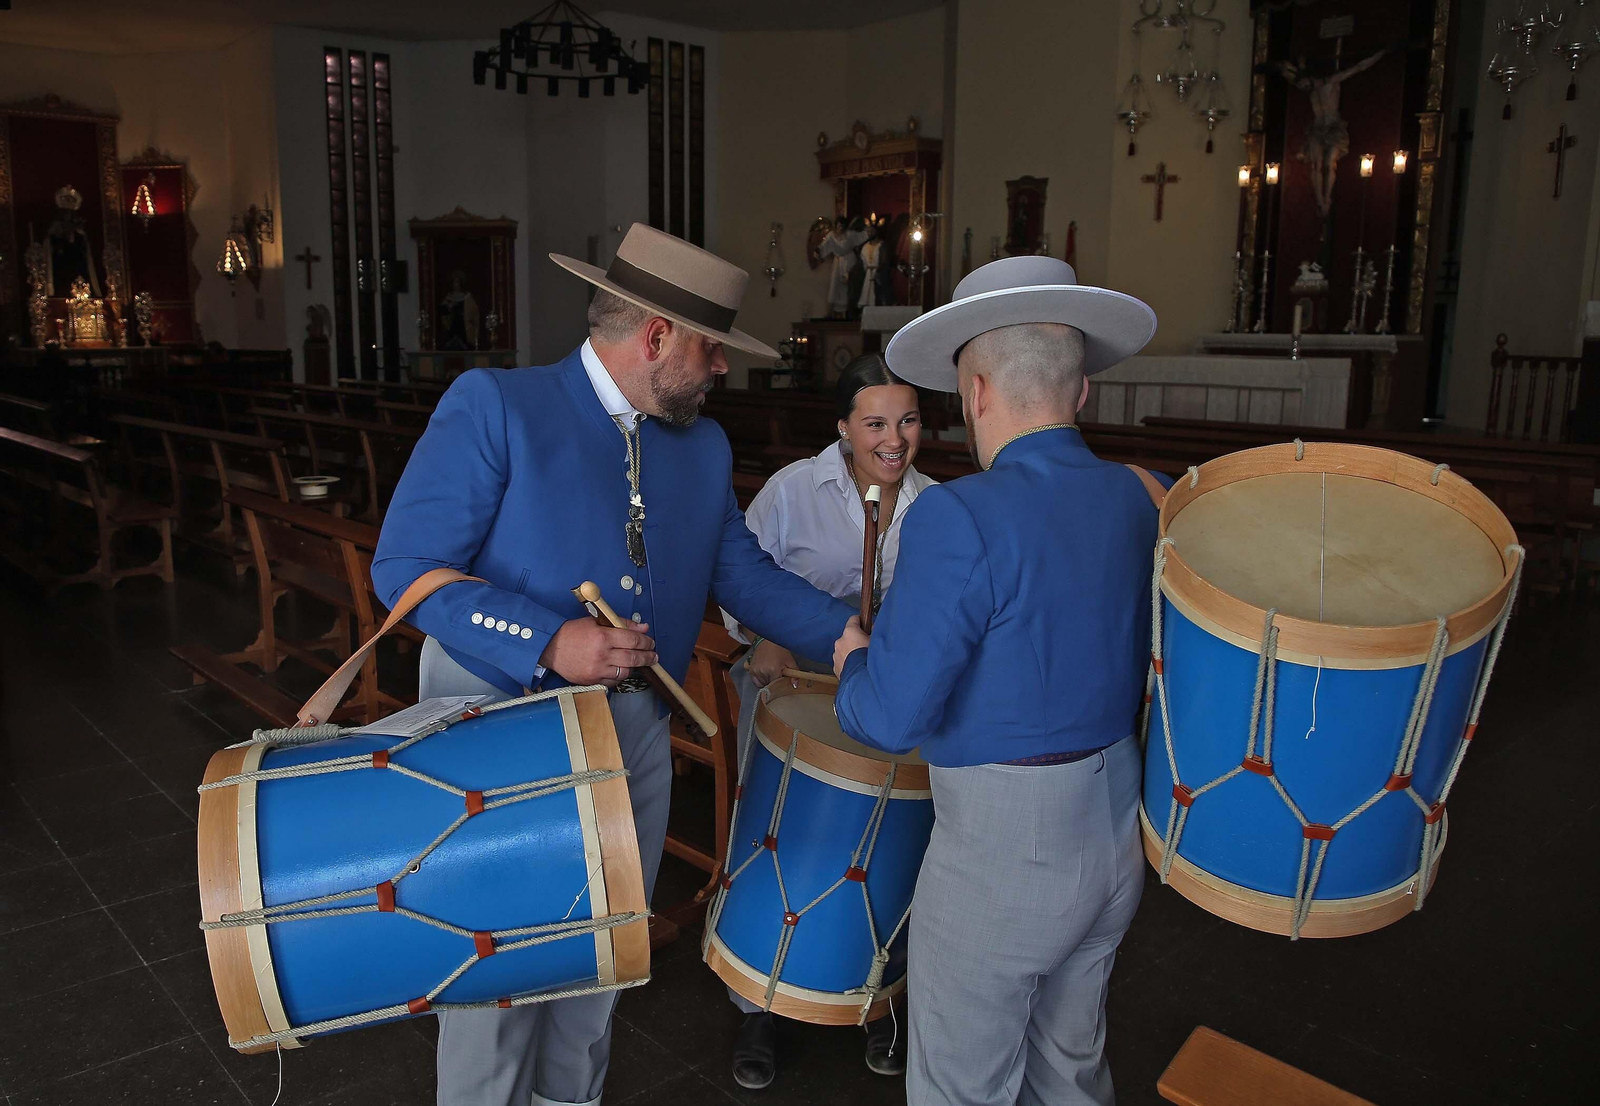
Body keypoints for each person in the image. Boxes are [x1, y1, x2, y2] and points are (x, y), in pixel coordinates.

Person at [371, 223, 855, 1106]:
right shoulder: (499, 405)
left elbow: (742, 573)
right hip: (498, 734)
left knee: (598, 963)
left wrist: (847, 635)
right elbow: (404, 569)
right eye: (712, 348)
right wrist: (547, 640)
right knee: (495, 973)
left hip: (631, 734)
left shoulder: (701, 445)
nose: (722, 368)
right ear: (657, 337)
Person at [828, 255, 1169, 1106]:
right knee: (1070, 1069)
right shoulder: (1144, 495)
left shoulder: (959, 513)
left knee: (962, 1086)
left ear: (975, 392)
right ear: (1081, 390)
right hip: (1118, 826)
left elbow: (890, 716)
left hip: (1005, 850)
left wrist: (854, 661)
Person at [719, 353, 934, 1090]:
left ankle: (878, 1000)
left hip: (886, 701)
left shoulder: (936, 505)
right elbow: (738, 579)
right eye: (875, 423)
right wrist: (766, 635)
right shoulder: (792, 490)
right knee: (778, 838)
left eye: (907, 421)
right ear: (843, 427)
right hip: (793, 688)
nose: (894, 439)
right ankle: (758, 1002)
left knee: (886, 844)